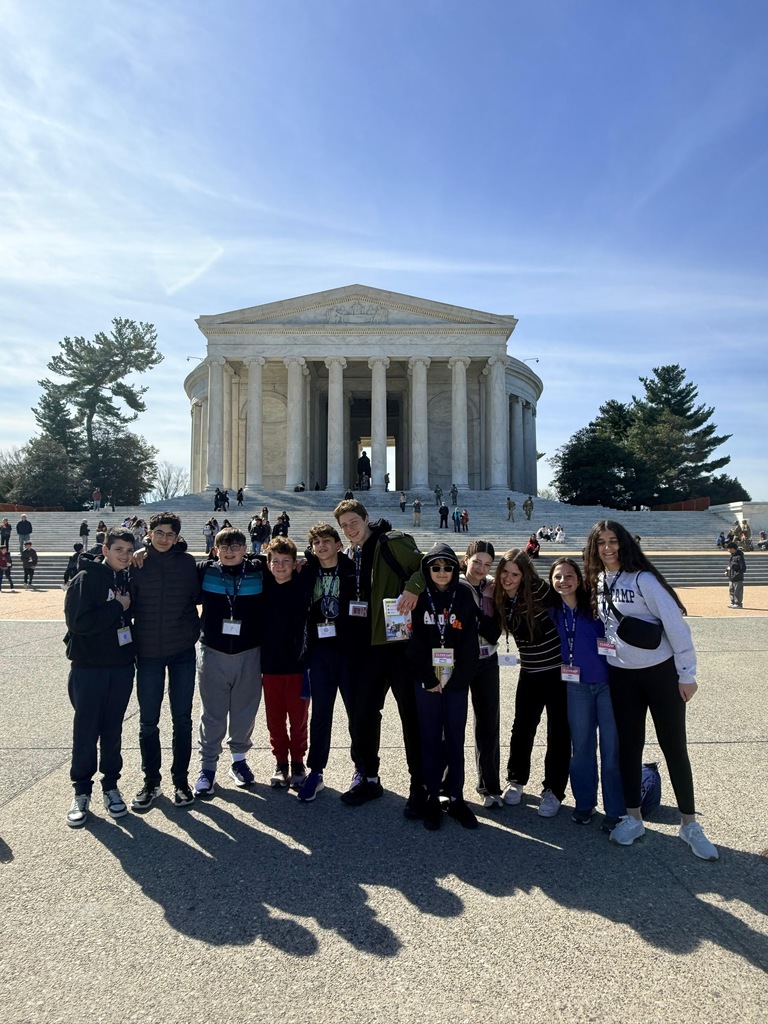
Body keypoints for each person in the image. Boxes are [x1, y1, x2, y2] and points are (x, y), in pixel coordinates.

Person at [583, 520, 718, 860]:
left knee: (674, 747)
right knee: (630, 747)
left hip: (660, 674)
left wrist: (687, 673)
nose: (608, 548)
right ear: (594, 547)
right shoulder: (599, 581)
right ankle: (633, 817)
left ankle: (689, 824)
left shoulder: (643, 579)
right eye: (601, 543)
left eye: (613, 541)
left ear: (624, 544)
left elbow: (675, 625)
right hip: (622, 675)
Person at [333, 499, 426, 815]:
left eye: (353, 522)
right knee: (363, 715)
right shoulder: (352, 553)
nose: (349, 529)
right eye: (343, 526)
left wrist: (413, 588)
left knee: (410, 716)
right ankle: (369, 778)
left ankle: (419, 785)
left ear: (366, 518)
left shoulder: (392, 542)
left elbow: (426, 566)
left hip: (398, 645)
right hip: (368, 646)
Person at [63, 527, 136, 827]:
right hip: (89, 666)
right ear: (105, 549)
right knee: (86, 729)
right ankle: (81, 791)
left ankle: (111, 786)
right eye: (118, 549)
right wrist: (117, 606)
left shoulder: (128, 577)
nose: (124, 556)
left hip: (120, 666)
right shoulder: (87, 579)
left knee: (113, 729)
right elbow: (79, 623)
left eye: (129, 551)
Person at [128, 513, 201, 810]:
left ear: (177, 537)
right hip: (148, 652)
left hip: (182, 649)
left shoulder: (187, 563)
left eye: (170, 534)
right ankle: (151, 781)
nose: (164, 538)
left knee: (182, 718)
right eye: (159, 532)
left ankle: (180, 780)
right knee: (148, 721)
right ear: (149, 533)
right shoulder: (137, 562)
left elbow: (197, 596)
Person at [548, 558, 624, 832]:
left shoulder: (595, 607)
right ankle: (584, 803)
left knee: (611, 748)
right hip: (576, 685)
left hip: (607, 684)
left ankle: (616, 810)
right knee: (581, 748)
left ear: (579, 580)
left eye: (569, 576)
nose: (563, 581)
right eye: (558, 576)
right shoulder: (553, 611)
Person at [408, 543, 480, 831]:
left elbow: (470, 642)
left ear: (455, 569)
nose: (441, 572)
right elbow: (411, 640)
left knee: (454, 738)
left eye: (447, 567)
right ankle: (432, 799)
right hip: (426, 681)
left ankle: (456, 797)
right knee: (428, 739)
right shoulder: (418, 596)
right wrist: (428, 677)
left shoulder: (463, 594)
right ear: (428, 569)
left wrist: (457, 680)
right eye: (435, 567)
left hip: (455, 681)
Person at [493, 549, 569, 817]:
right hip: (530, 671)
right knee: (522, 728)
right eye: (505, 572)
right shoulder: (500, 596)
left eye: (515, 573)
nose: (509, 578)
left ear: (525, 575)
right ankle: (516, 781)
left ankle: (553, 790)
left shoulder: (539, 591)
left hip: (557, 672)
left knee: (559, 732)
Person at [297, 523, 367, 803]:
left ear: (339, 544)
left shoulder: (354, 571)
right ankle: (316, 771)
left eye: (327, 540)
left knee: (356, 714)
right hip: (320, 652)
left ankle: (361, 767)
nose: (322, 546)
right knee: (321, 714)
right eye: (316, 542)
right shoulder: (308, 570)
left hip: (349, 652)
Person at [193, 526, 265, 796]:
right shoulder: (204, 570)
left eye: (236, 546)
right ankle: (207, 767)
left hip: (249, 651)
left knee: (244, 711)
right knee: (212, 713)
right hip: (213, 650)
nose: (230, 551)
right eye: (225, 547)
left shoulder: (259, 569)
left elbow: (287, 562)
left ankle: (239, 761)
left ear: (245, 549)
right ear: (216, 550)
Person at [260, 537, 311, 790]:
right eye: (275, 561)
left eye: (286, 561)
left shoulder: (303, 583)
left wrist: (306, 560)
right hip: (270, 666)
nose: (280, 566)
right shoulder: (263, 584)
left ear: (294, 563)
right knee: (275, 719)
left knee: (299, 718)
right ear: (268, 564)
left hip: (298, 666)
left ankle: (299, 761)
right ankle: (281, 763)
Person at [460, 541, 503, 807]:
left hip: (488, 659)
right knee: (451, 724)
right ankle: (447, 785)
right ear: (466, 559)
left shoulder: (493, 589)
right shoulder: (452, 582)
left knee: (488, 723)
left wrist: (476, 620)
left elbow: (495, 629)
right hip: (458, 661)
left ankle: (489, 786)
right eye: (477, 562)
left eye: (487, 564)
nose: (481, 569)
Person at [725, 541, 746, 609]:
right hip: (731, 576)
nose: (728, 550)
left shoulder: (739, 556)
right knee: (731, 590)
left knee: (738, 591)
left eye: (728, 549)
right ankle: (733, 602)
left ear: (732, 548)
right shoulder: (732, 556)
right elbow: (729, 565)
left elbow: (743, 567)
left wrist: (737, 574)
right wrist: (726, 571)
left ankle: (738, 604)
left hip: (737, 577)